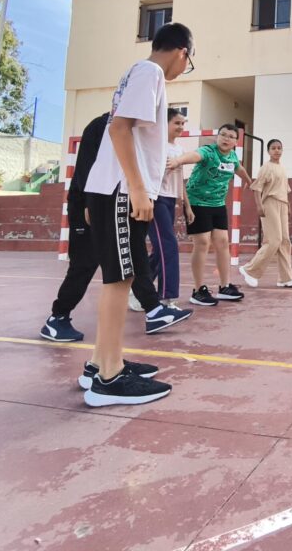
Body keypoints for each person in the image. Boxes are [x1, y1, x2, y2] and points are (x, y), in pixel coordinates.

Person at [79, 21, 194, 407]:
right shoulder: (150, 73)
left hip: (111, 189)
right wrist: (138, 187)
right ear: (182, 52)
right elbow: (120, 130)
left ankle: (101, 363)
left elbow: (120, 130)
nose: (184, 69)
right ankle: (109, 380)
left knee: (119, 278)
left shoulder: (136, 73)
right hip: (122, 191)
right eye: (188, 63)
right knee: (119, 279)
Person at [41, 111, 192, 345]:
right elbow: (88, 166)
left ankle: (153, 310)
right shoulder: (104, 126)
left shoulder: (133, 128)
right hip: (90, 203)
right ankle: (57, 317)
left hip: (118, 201)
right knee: (85, 263)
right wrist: (88, 203)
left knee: (132, 255)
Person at [175, 123, 254, 306]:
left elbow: (239, 168)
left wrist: (249, 181)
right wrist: (179, 160)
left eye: (231, 137)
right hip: (196, 203)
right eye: (223, 135)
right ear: (217, 137)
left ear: (236, 141)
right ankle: (197, 290)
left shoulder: (232, 156)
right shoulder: (209, 152)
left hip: (218, 204)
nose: (226, 139)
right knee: (202, 243)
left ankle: (225, 287)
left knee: (223, 242)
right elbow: (194, 155)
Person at [147, 108, 195, 306]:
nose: (181, 127)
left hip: (170, 200)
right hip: (155, 199)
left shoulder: (179, 150)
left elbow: (181, 180)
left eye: (183, 123)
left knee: (160, 249)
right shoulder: (155, 146)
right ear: (164, 123)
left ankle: (139, 287)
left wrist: (187, 206)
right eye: (177, 123)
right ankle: (166, 298)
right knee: (169, 246)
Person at [239, 138, 292, 289]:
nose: (277, 150)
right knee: (274, 240)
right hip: (270, 203)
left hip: (282, 204)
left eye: (279, 148)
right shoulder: (266, 168)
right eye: (273, 148)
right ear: (268, 151)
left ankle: (285, 278)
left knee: (285, 241)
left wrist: (288, 205)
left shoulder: (282, 168)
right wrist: (259, 206)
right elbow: (256, 188)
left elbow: (286, 189)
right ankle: (250, 270)